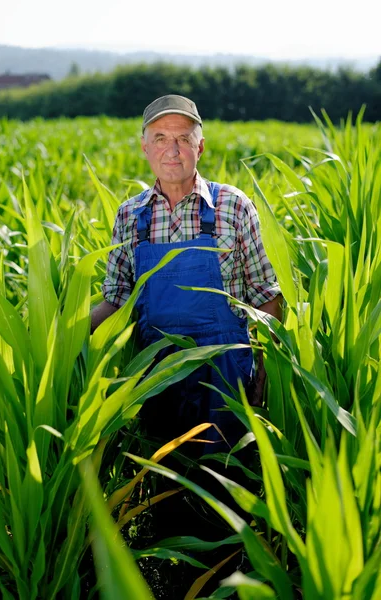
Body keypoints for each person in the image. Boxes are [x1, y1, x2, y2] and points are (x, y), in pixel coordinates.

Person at [91, 94, 282, 454]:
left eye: (183, 139)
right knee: (168, 490)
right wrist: (63, 336)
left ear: (201, 147)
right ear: (145, 148)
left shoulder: (233, 206)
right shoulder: (130, 217)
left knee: (227, 487)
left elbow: (266, 297)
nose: (172, 150)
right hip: (159, 376)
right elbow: (116, 301)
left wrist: (265, 374)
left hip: (226, 375)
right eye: (161, 139)